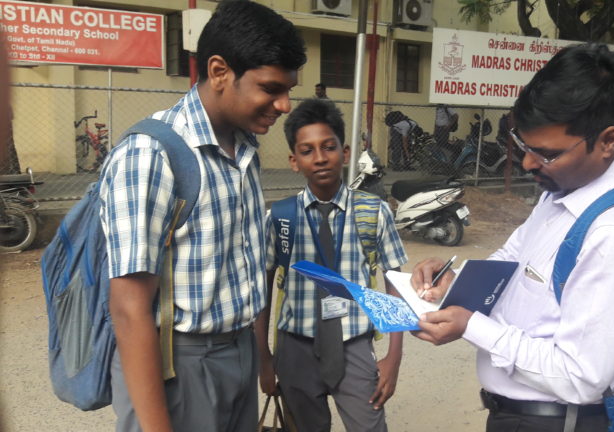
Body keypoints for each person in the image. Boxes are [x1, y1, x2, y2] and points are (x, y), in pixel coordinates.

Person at [409, 43, 614, 432]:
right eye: (524, 146)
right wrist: (454, 282)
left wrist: (471, 325)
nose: (528, 163)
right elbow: (515, 255)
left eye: (546, 153)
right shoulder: (567, 190)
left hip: (557, 422)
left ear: (608, 141)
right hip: (520, 415)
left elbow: (580, 376)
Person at [99, 2, 306, 431]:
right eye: (270, 88)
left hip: (239, 352)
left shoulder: (243, 147)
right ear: (218, 72)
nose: (284, 104)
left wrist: (255, 356)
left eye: (288, 89)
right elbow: (129, 309)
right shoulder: (151, 155)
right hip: (181, 364)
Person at [256, 99, 408, 431]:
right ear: (294, 161)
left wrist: (394, 357)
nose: (320, 158)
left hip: (352, 342)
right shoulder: (281, 218)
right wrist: (264, 359)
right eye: (307, 151)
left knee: (369, 425)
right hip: (295, 347)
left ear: (346, 152)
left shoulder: (374, 212)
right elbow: (262, 291)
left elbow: (395, 285)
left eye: (329, 147)